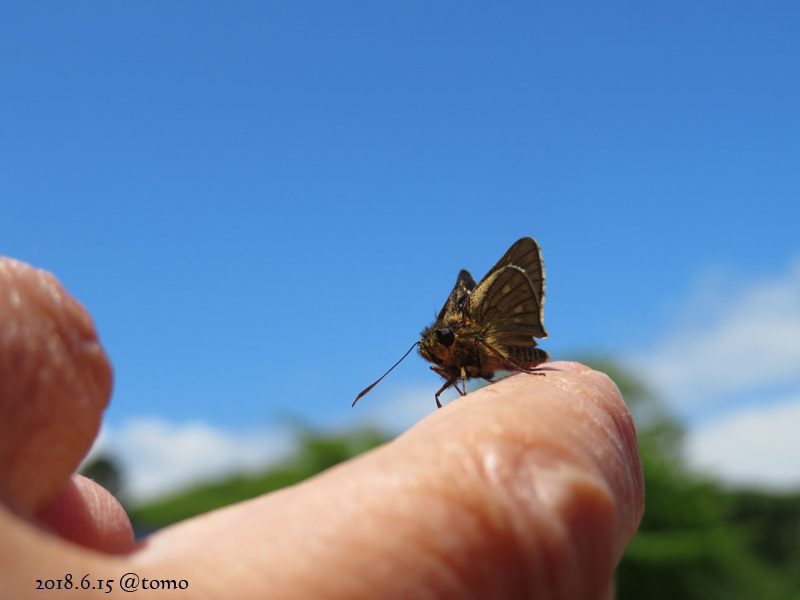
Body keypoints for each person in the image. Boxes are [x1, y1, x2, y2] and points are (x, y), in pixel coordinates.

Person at [0, 258, 643, 599]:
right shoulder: (450, 356)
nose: (433, 359)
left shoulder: (469, 337)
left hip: (515, 355)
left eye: (440, 348)